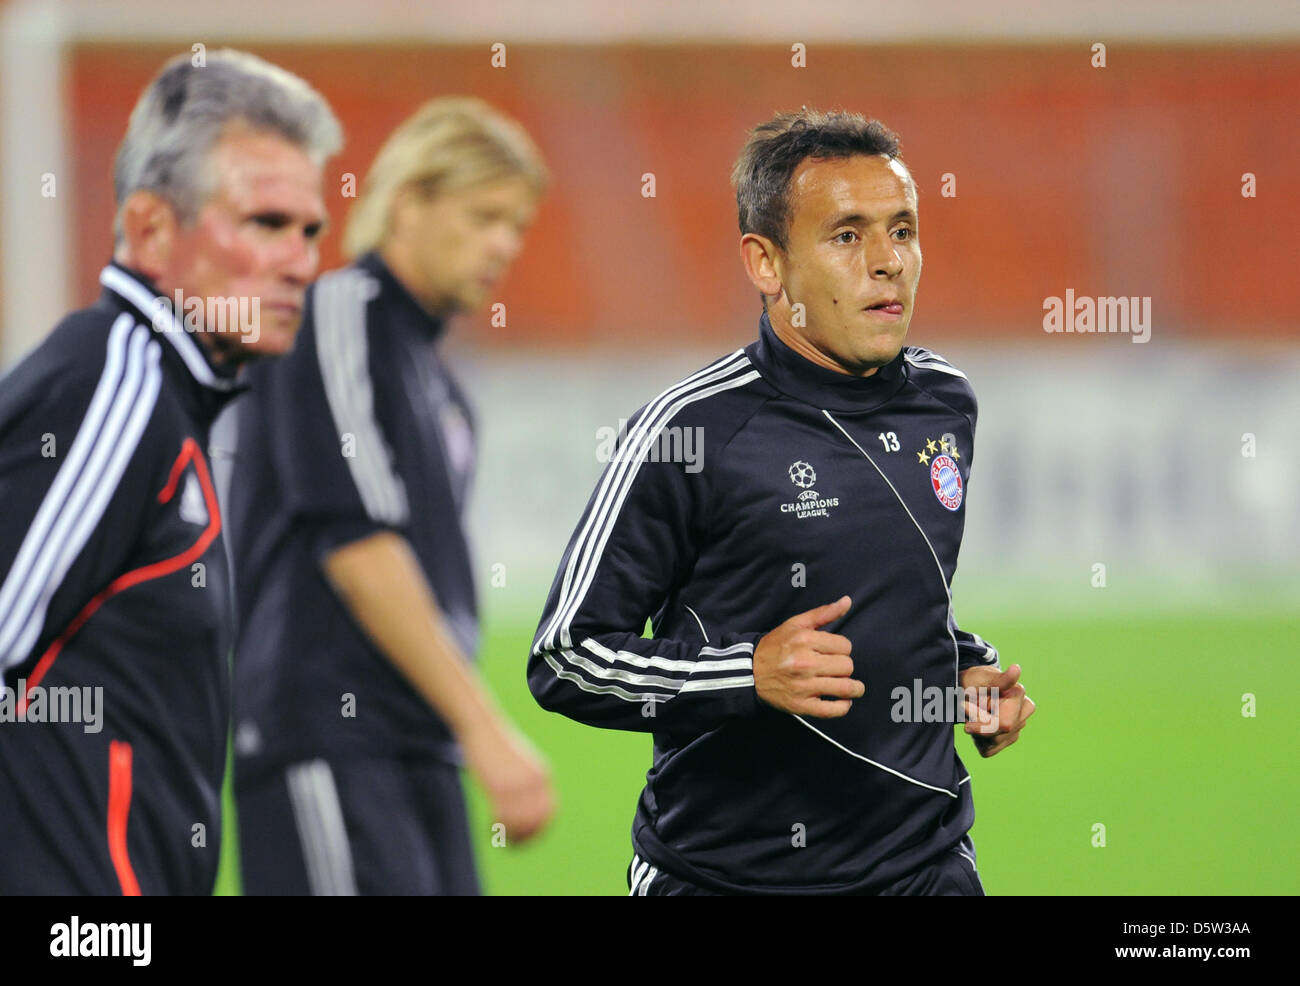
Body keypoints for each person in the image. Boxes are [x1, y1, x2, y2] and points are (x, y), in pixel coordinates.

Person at [527, 108, 1035, 896]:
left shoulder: (945, 403)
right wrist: (745, 673)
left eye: (902, 230)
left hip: (925, 869)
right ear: (767, 264)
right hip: (726, 877)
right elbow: (567, 656)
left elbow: (902, 599)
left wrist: (964, 672)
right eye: (846, 236)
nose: (887, 262)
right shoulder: (688, 432)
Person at [0, 49, 339, 894]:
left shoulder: (174, 397)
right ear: (152, 229)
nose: (301, 263)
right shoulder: (116, 385)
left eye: (311, 232)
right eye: (265, 223)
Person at [229, 97, 555, 896]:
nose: (504, 246)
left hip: (414, 746)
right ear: (409, 202)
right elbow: (357, 544)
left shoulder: (438, 380)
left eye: (516, 225)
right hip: (328, 737)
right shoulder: (335, 315)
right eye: (484, 216)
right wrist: (488, 729)